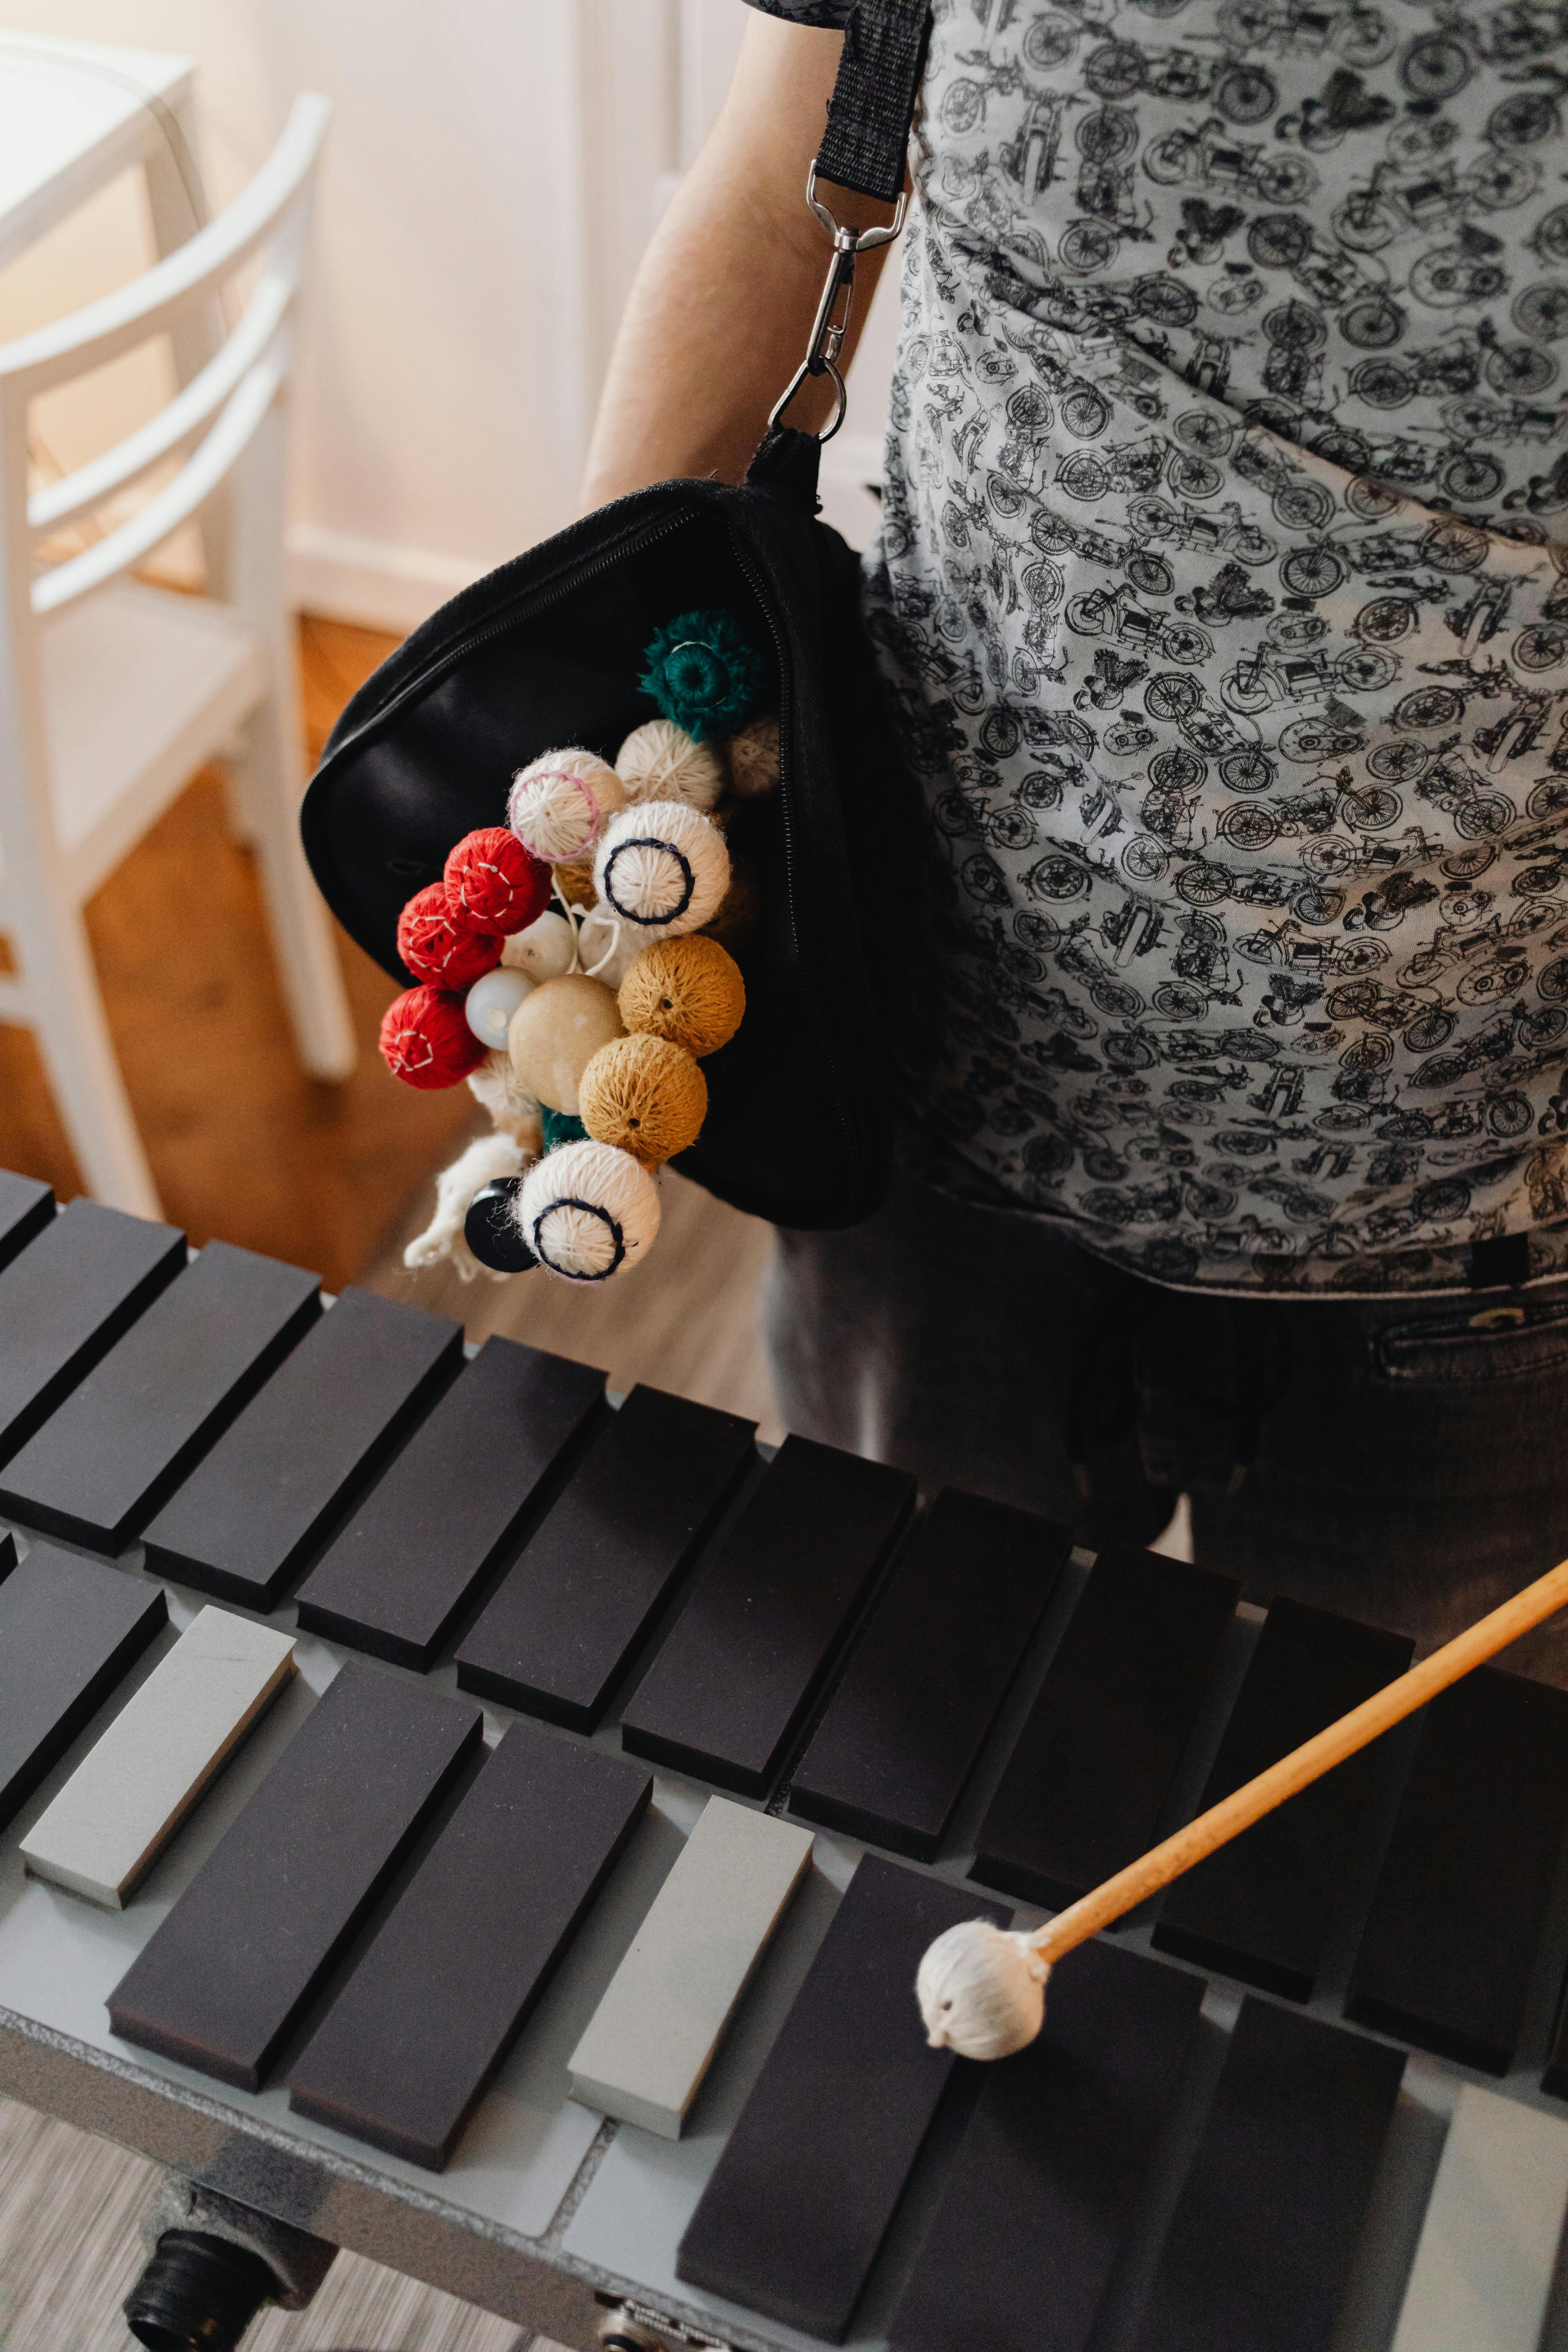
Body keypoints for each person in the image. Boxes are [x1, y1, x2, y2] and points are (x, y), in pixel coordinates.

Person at [582, 0, 1568, 1675]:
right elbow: (775, 191)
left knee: (1371, 1903)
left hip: (1486, 1237)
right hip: (928, 1109)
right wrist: (590, 723)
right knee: (891, 1760)